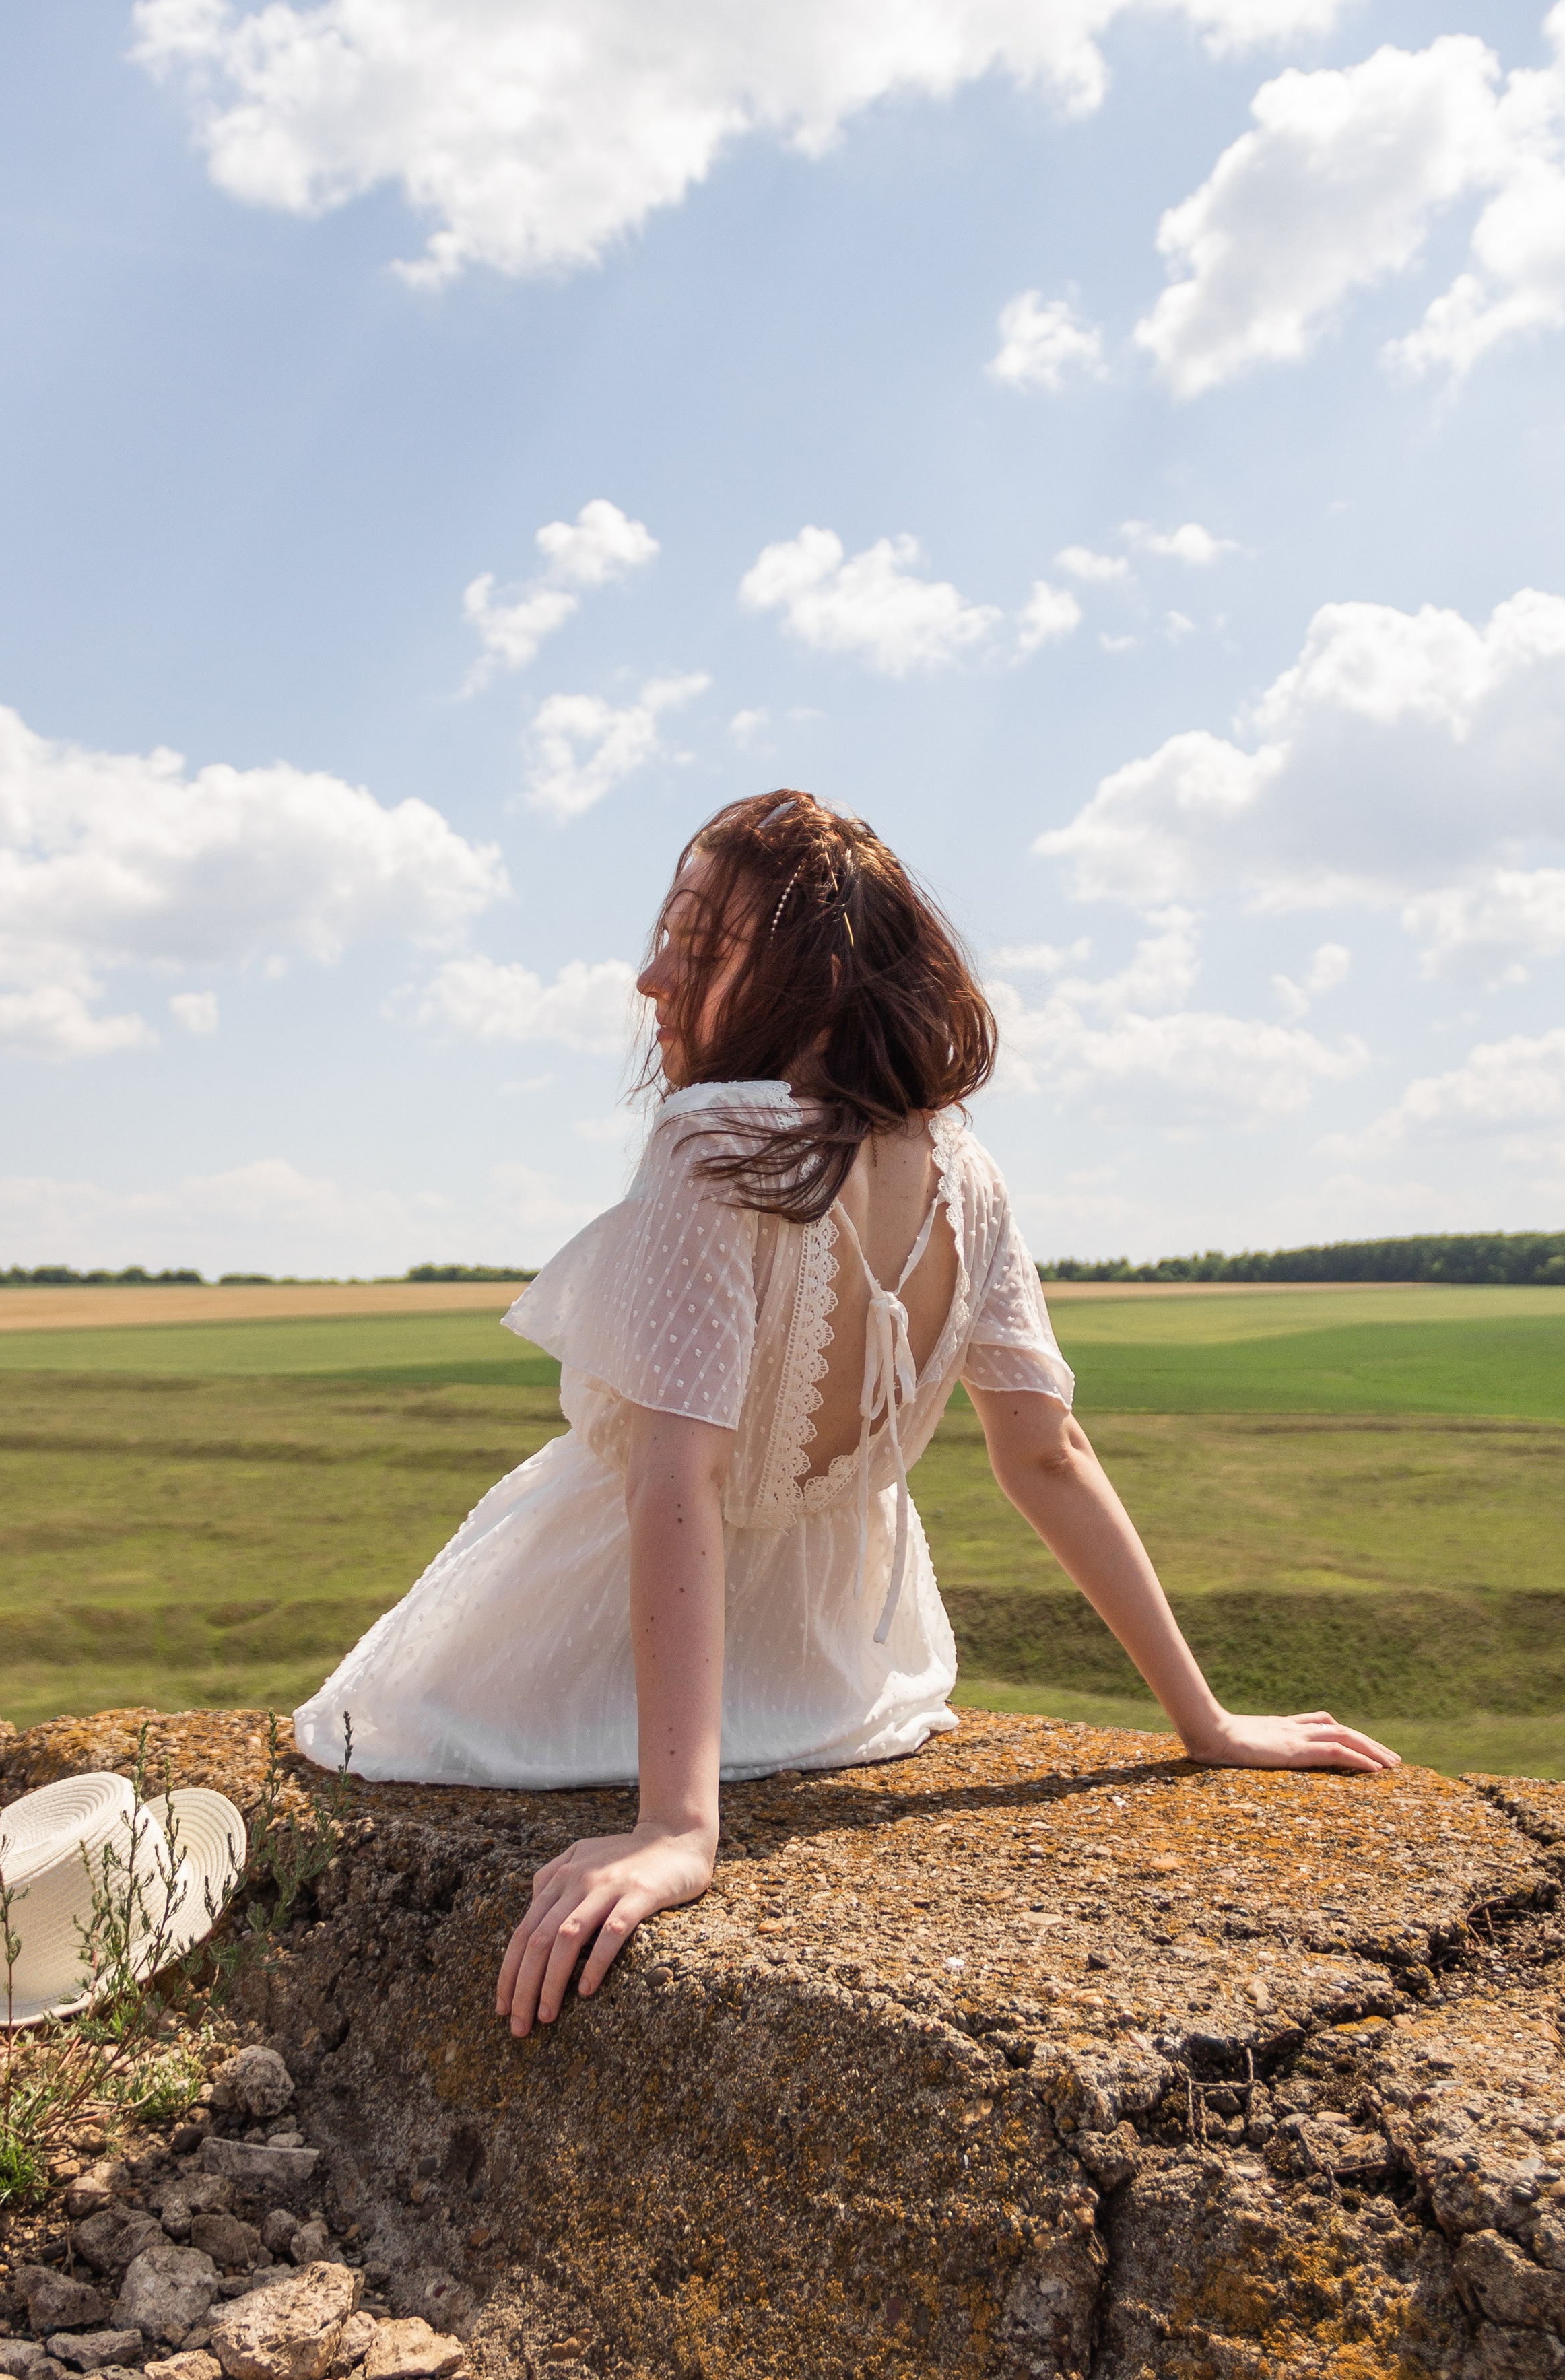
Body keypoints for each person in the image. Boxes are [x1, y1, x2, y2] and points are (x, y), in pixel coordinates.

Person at [293, 790, 1397, 2040]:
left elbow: (680, 1481)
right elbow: (1047, 1453)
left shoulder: (714, 1142)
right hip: (831, 1685)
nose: (651, 974)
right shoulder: (967, 1175)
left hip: (575, 1667)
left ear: (813, 980)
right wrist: (1204, 1721)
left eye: (704, 946)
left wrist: (676, 1828)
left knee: (342, 1747)